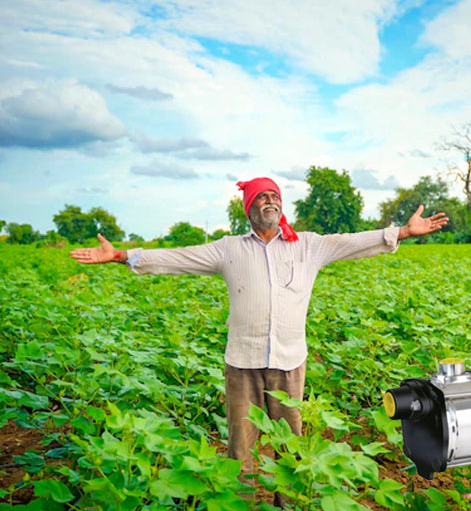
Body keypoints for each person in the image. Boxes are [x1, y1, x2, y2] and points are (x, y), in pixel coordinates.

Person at [70, 176, 448, 504]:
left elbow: (355, 241)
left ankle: (288, 503)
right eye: (261, 197)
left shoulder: (308, 245)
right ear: (249, 207)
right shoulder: (228, 249)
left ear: (281, 204)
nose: (269, 201)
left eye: (274, 196)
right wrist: (122, 255)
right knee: (241, 448)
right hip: (242, 365)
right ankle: (241, 504)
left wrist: (402, 232)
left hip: (288, 364)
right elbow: (178, 258)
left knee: (290, 445)